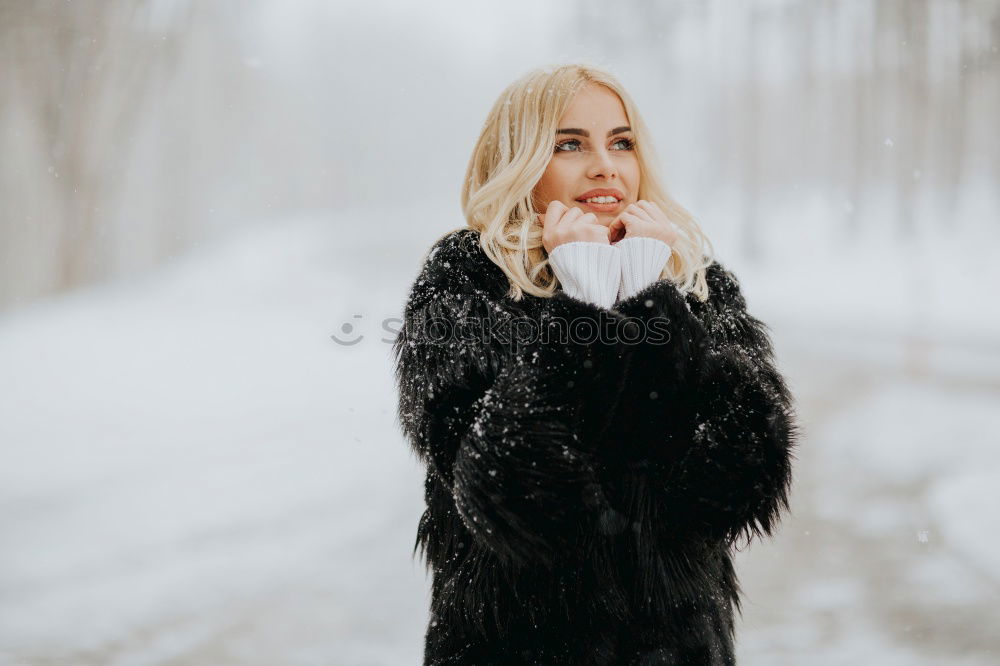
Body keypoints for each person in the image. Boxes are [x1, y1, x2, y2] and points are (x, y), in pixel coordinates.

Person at [392, 63, 800, 665]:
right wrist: (579, 313)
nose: (605, 165)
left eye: (622, 142)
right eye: (569, 144)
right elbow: (510, 500)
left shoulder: (695, 284)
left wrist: (650, 304)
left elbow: (738, 482)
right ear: (520, 163)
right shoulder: (466, 283)